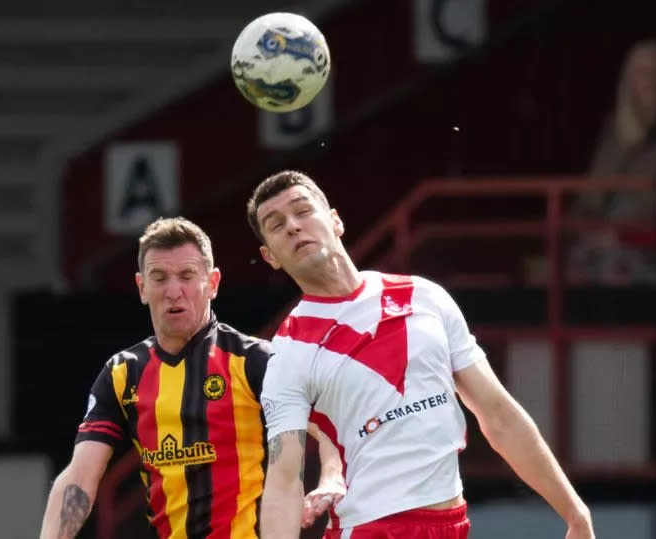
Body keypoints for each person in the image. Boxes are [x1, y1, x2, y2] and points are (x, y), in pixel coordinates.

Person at [246, 171, 595, 539]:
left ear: (335, 220)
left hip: (453, 523)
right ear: (270, 257)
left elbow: (498, 413)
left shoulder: (424, 296)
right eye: (277, 224)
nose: (294, 227)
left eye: (303, 211)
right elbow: (284, 480)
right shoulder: (290, 351)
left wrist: (574, 512)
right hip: (372, 530)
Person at [39, 217, 345, 539]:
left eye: (187, 276)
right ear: (142, 288)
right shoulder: (122, 374)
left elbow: (329, 428)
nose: (174, 291)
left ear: (212, 283)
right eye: (160, 278)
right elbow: (80, 476)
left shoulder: (253, 360)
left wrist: (331, 478)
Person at [568, 39, 656, 284]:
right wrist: (583, 227)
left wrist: (623, 234)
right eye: (642, 73)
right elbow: (591, 196)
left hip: (655, 246)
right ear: (628, 81)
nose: (652, 82)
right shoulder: (616, 129)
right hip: (604, 242)